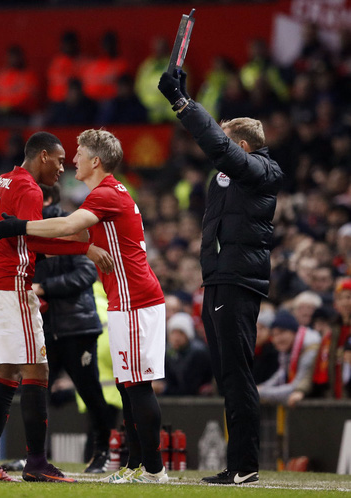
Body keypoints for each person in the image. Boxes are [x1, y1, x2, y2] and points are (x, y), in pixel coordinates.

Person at [0, 129, 169, 484]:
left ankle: (155, 471)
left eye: (80, 153)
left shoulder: (105, 194)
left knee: (138, 386)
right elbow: (76, 235)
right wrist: (37, 237)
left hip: (135, 299)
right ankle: (134, 465)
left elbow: (69, 225)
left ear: (96, 161)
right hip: (126, 300)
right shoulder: (105, 195)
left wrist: (17, 227)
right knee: (127, 386)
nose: (73, 159)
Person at [158, 70, 284, 485]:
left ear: (243, 147)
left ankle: (245, 465)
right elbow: (215, 145)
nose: (217, 147)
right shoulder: (231, 173)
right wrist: (188, 98)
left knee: (236, 373)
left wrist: (183, 104)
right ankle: (238, 464)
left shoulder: (263, 172)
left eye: (226, 141)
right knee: (226, 374)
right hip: (218, 277)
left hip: (237, 279)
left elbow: (217, 145)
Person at [0, 131, 113, 483]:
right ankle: (37, 464)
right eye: (60, 160)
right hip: (11, 286)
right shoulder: (30, 188)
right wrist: (84, 248)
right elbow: (32, 240)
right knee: (37, 372)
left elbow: (22, 237)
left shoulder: (3, 180)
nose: (63, 167)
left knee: (7, 372)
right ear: (43, 156)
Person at [33, 184, 113, 473]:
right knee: (35, 392)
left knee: (89, 390)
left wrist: (44, 288)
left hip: (77, 326)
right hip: (45, 327)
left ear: (50, 199)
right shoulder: (30, 233)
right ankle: (35, 456)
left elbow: (86, 272)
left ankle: (103, 452)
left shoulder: (73, 225)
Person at [257, 310, 320, 406]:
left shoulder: (310, 348)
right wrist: (260, 388)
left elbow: (296, 386)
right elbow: (280, 374)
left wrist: (260, 393)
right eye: (273, 335)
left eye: (282, 332)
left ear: (294, 332)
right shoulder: (286, 350)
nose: (277, 339)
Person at [154, 312, 212, 396]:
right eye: (173, 333)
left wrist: (164, 389)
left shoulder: (198, 353)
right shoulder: (167, 352)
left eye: (180, 333)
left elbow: (189, 388)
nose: (176, 337)